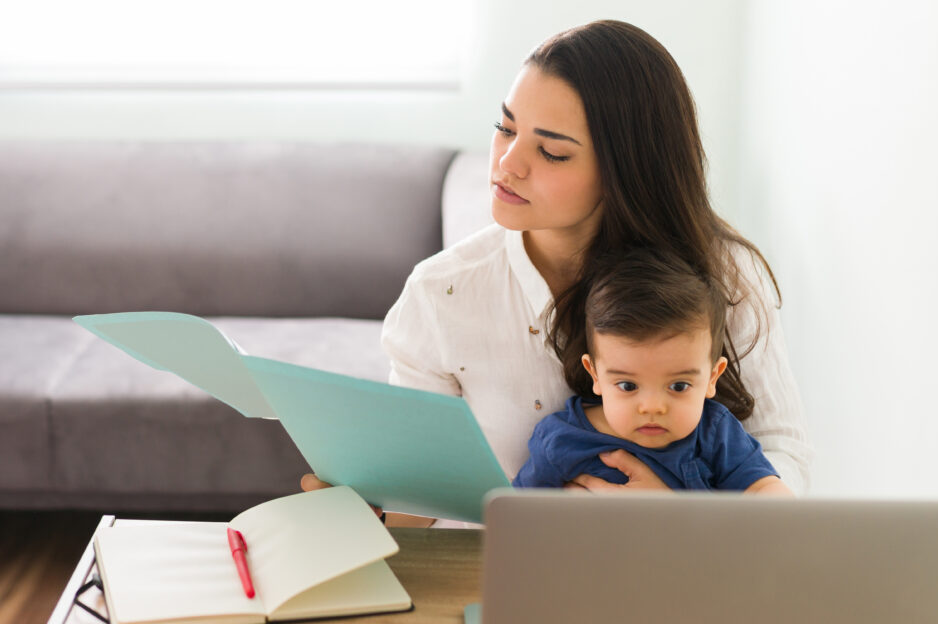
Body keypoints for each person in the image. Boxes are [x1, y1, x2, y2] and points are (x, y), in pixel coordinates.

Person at [302, 19, 812, 526]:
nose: (508, 162)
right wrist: (367, 507)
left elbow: (781, 452)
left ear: (626, 170)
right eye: (505, 128)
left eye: (551, 152)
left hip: (687, 577)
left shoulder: (724, 276)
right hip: (507, 574)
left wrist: (678, 519)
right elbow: (420, 506)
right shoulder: (443, 294)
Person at [513, 249, 792, 495]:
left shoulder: (715, 433)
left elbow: (763, 488)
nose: (652, 407)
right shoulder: (561, 440)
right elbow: (517, 517)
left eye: (679, 386)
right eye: (627, 386)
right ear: (595, 374)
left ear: (712, 378)